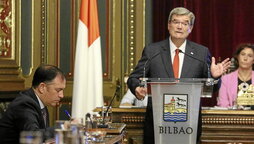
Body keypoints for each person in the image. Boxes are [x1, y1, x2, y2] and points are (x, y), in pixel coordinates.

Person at [127, 7, 231, 144]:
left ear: (191, 28)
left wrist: (214, 77)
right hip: (157, 122)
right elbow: (133, 78)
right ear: (168, 25)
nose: (180, 26)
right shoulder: (153, 50)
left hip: (189, 124)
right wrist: (137, 89)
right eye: (176, 22)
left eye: (185, 23)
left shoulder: (201, 52)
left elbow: (212, 87)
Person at [0, 65, 66, 144]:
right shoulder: (24, 104)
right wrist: (62, 128)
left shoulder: (41, 104)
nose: (62, 95)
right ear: (42, 87)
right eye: (58, 90)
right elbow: (33, 135)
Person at [217, 43, 254, 108]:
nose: (245, 58)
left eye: (250, 56)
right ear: (237, 57)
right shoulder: (226, 79)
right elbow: (222, 105)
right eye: (243, 54)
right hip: (232, 117)